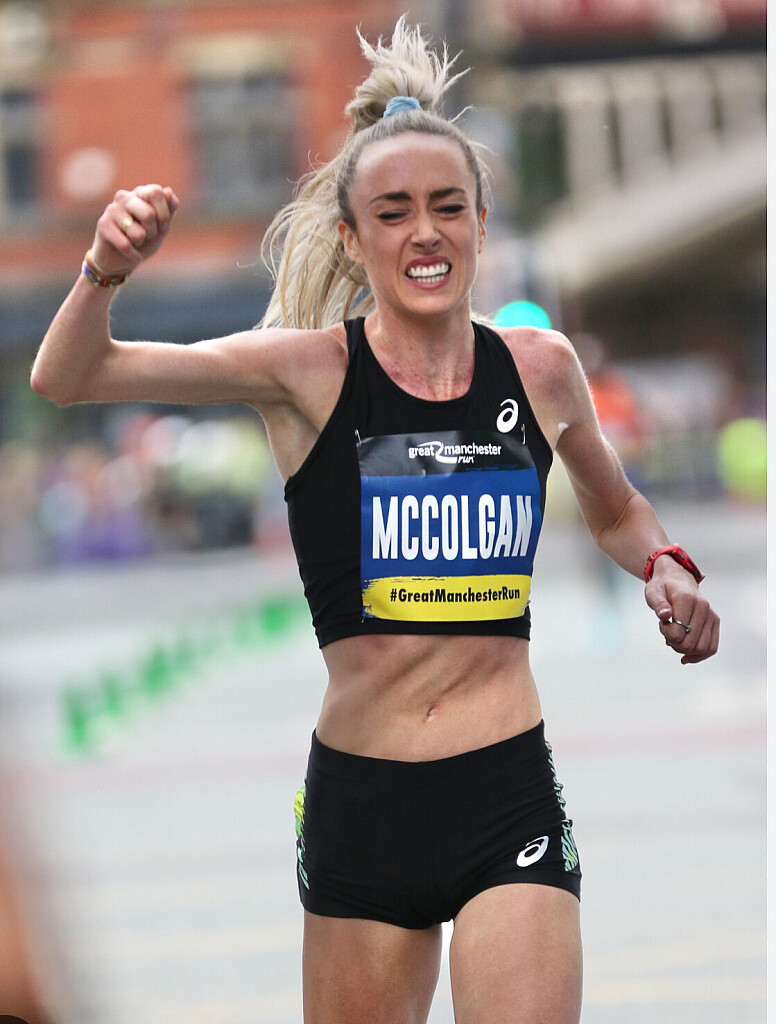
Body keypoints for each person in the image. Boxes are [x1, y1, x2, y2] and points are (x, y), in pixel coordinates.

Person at [30, 18, 719, 1024]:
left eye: (448, 207)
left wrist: (663, 563)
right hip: (363, 805)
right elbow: (68, 376)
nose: (424, 232)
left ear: (481, 222)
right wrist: (104, 266)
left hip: (506, 792)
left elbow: (618, 511)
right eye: (393, 213)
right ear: (352, 238)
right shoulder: (303, 374)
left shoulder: (539, 369)